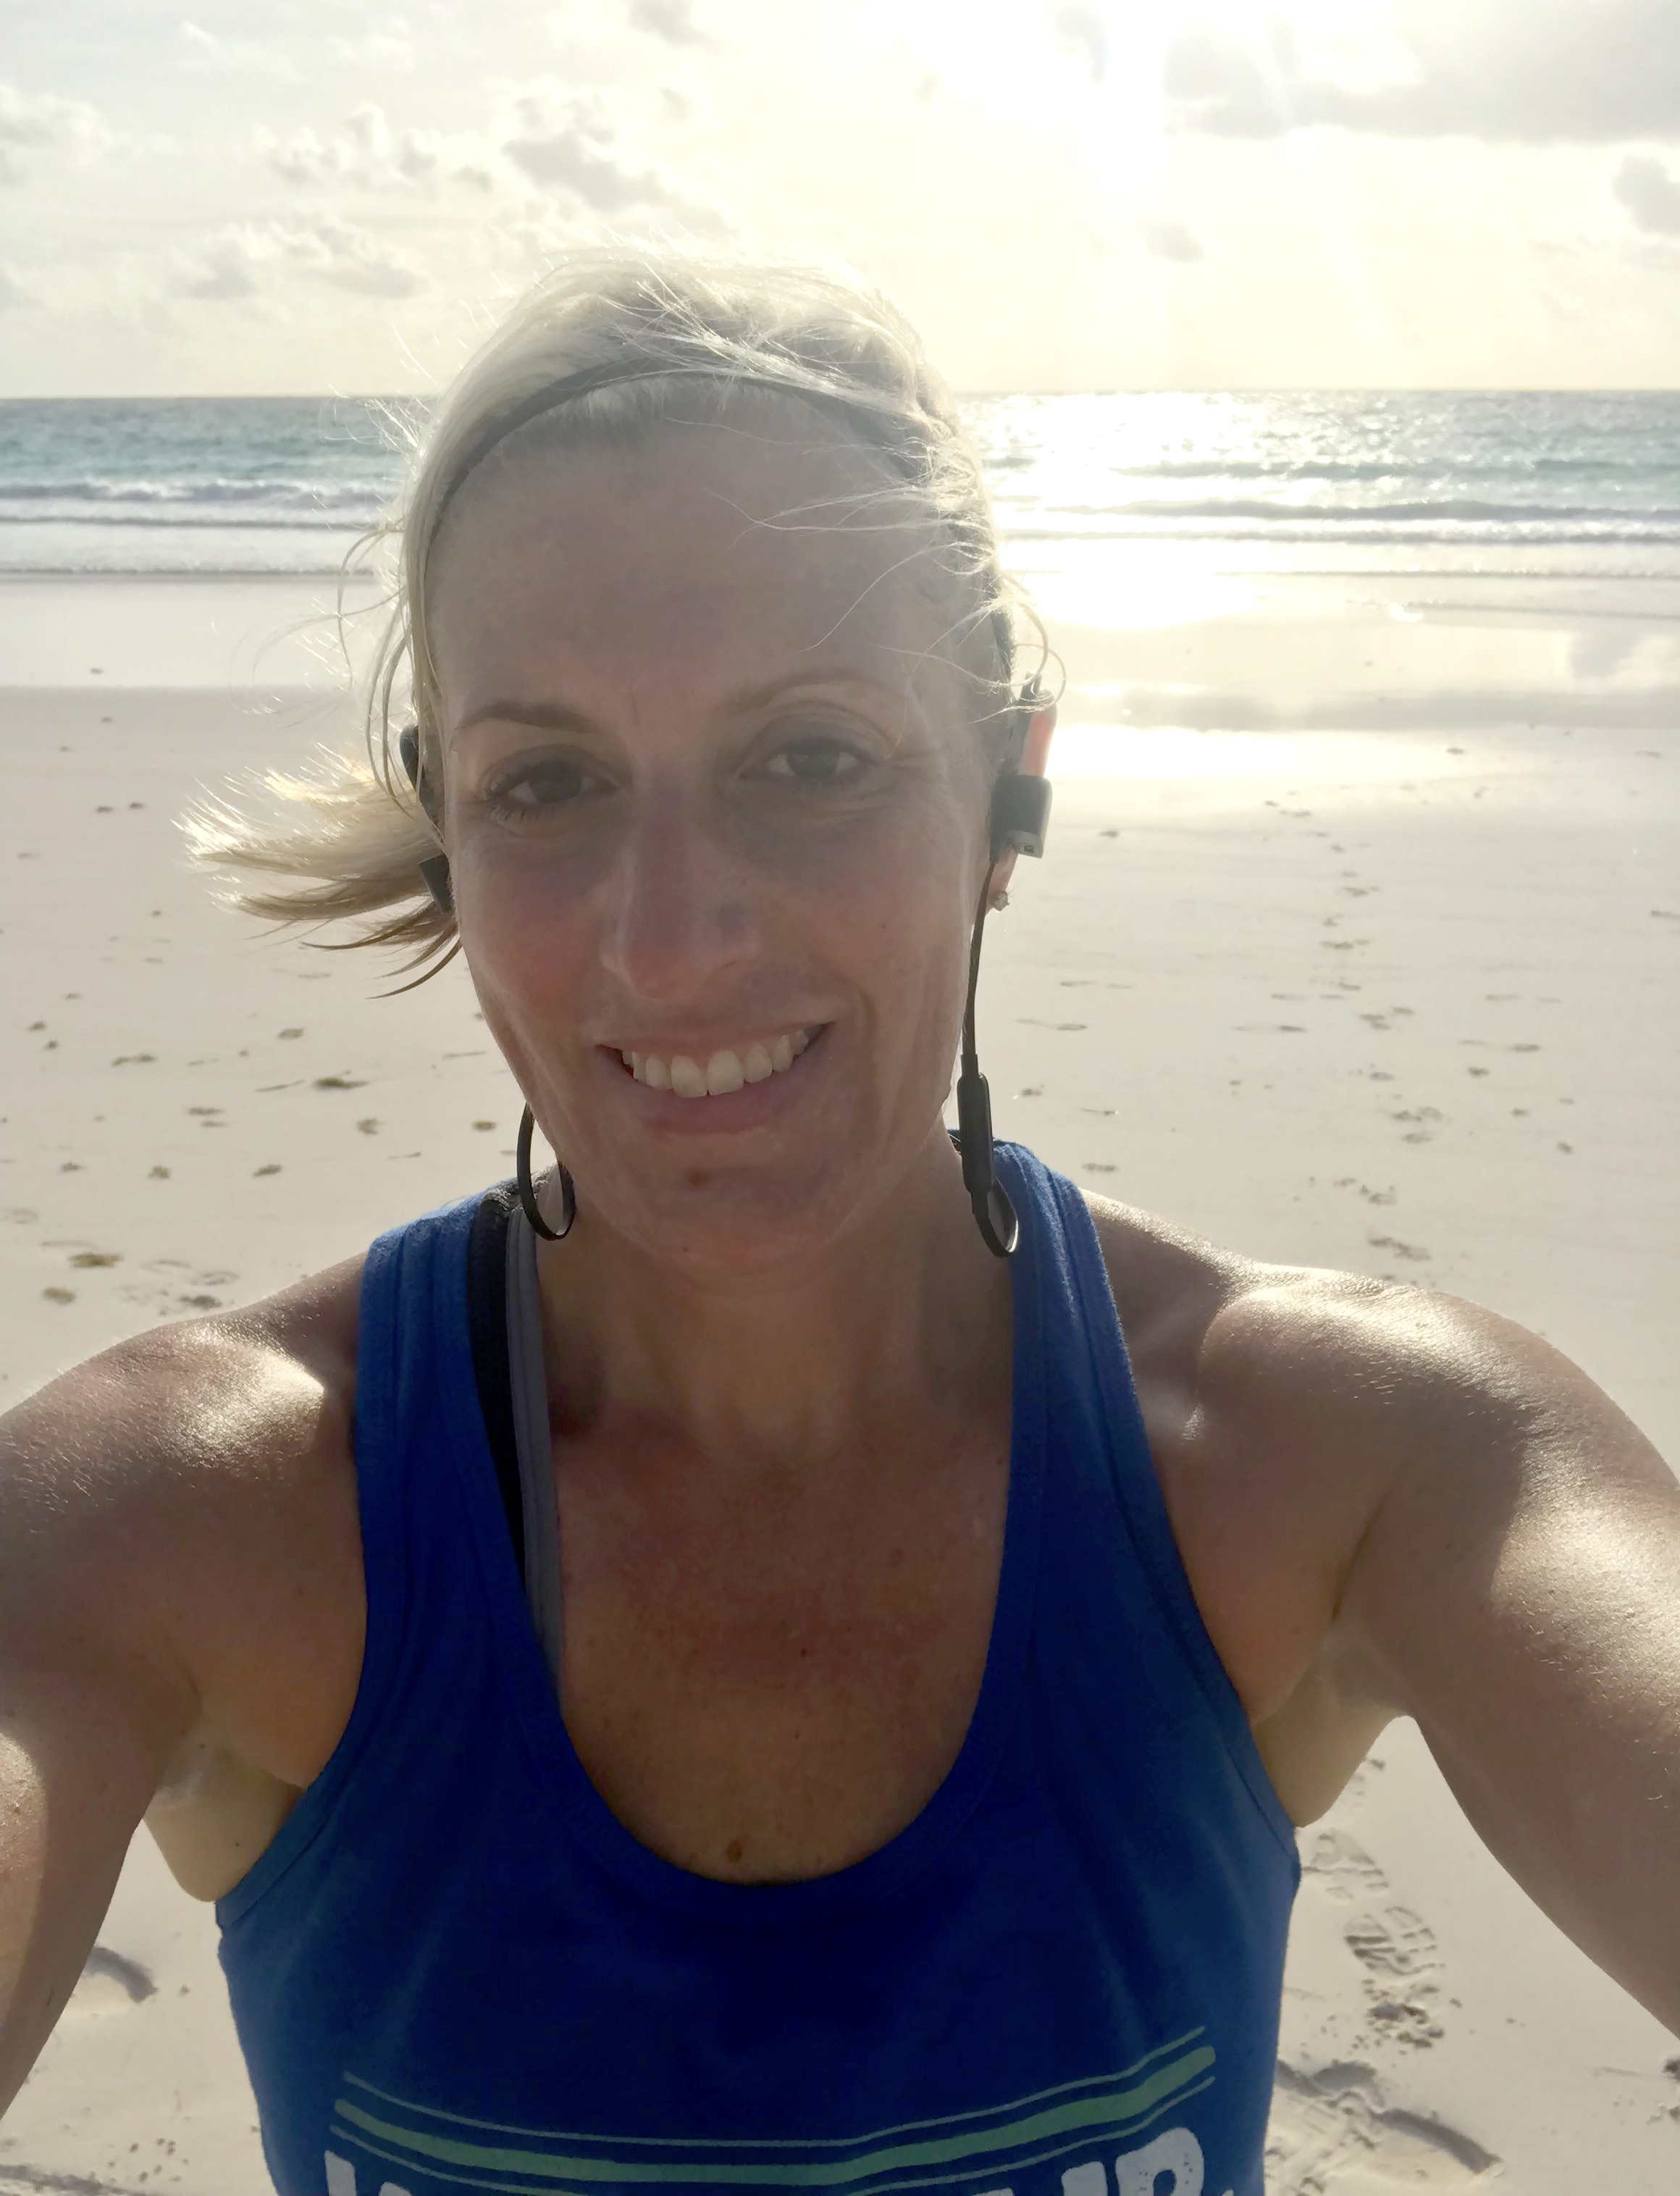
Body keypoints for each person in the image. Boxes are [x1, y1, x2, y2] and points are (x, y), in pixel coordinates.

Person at [1, 247, 1676, 2196]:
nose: (672, 937)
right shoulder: (203, 1515)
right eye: (547, 782)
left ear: (1006, 792)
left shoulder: (1346, 1464)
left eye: (812, 758)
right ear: (450, 829)